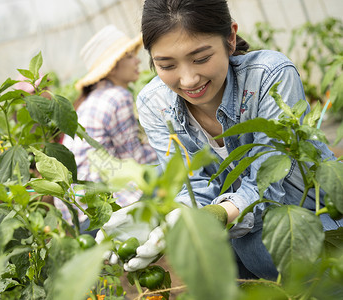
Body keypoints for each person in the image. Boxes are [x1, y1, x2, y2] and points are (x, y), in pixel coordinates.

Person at [96, 0, 342, 280]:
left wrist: (217, 214)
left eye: (200, 58)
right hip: (243, 247)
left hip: (316, 230)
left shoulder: (268, 76)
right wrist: (157, 216)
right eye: (166, 65)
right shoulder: (155, 104)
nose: (188, 80)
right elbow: (191, 184)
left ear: (230, 38)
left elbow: (268, 185)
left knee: (280, 262)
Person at [53, 25, 158, 235]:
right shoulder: (118, 97)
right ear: (112, 66)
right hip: (104, 213)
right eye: (129, 56)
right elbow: (135, 161)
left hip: (78, 214)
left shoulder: (94, 98)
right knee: (173, 175)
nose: (137, 60)